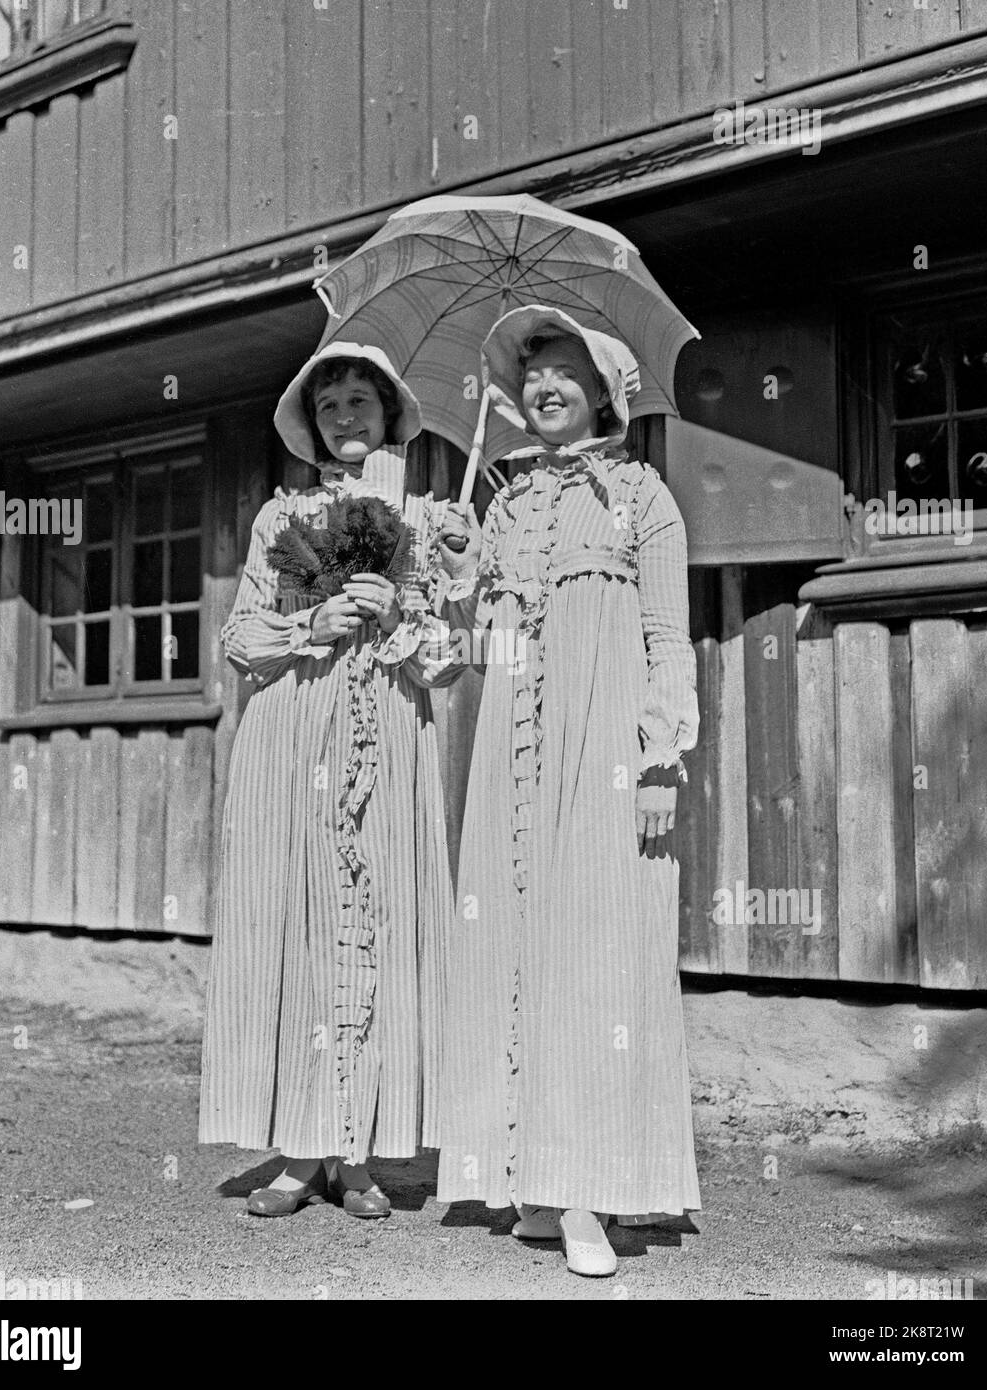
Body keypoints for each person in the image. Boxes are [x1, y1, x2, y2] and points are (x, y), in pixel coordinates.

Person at [434, 306, 701, 1276]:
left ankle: (591, 1192)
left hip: (607, 756)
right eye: (532, 371)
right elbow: (483, 655)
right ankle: (536, 1181)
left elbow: (667, 635)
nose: (545, 384)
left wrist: (661, 754)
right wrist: (466, 582)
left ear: (603, 390)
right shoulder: (502, 506)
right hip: (513, 759)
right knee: (517, 946)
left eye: (565, 369)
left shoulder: (641, 495)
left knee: (595, 956)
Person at [199, 342, 462, 1219]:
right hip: (295, 734)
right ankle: (299, 1151)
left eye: (362, 402)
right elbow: (241, 642)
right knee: (300, 926)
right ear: (312, 427)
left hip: (386, 736)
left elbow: (447, 665)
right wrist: (314, 617)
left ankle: (358, 1155)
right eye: (331, 407)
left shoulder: (426, 522)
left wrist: (402, 616)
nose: (347, 419)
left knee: (376, 923)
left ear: (391, 415)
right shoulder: (284, 519)